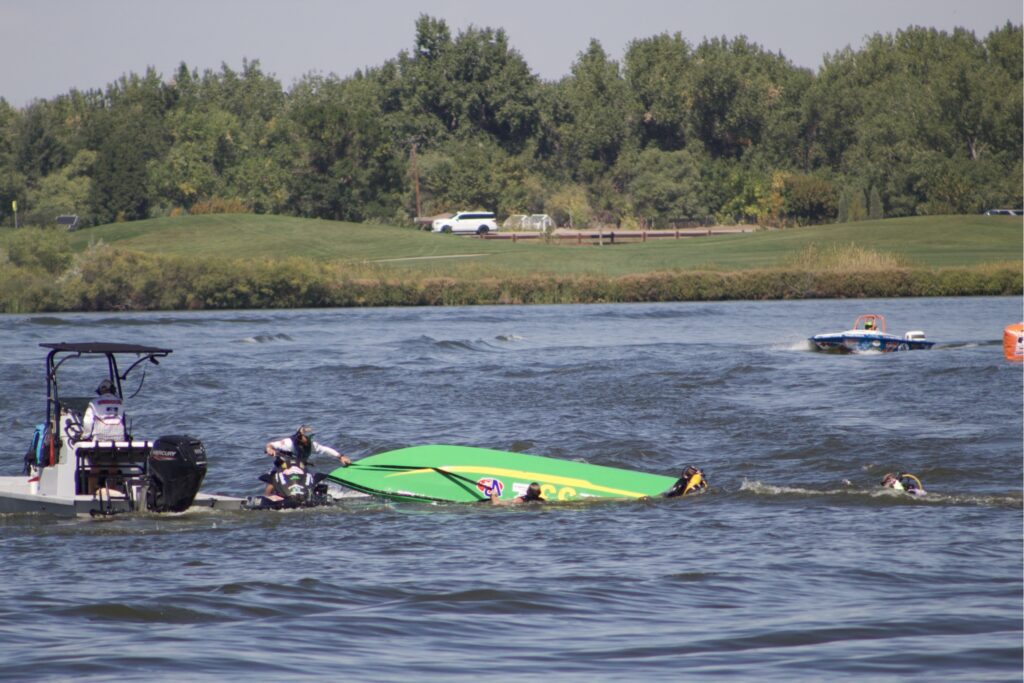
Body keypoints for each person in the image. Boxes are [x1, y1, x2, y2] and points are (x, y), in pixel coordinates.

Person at [263, 425, 349, 496]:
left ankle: (314, 496)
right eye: (305, 436)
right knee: (272, 482)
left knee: (311, 480)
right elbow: (270, 445)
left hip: (300, 467)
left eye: (309, 437)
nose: (307, 439)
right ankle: (267, 498)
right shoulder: (288, 443)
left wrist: (340, 456)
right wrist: (270, 449)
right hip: (282, 466)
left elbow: (324, 449)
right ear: (300, 436)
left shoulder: (311, 445)